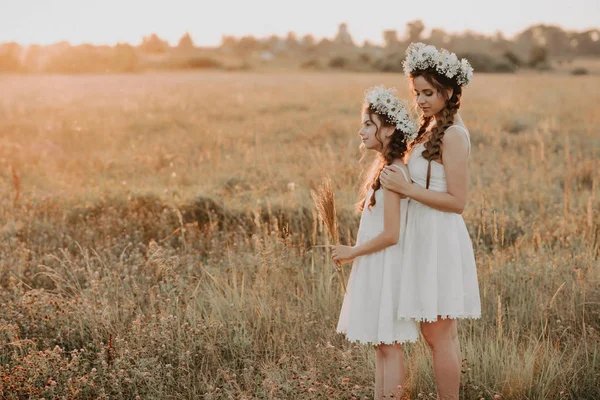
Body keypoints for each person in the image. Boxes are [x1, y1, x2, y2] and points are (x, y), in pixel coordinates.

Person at [380, 43, 482, 400]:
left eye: (428, 92)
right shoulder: (430, 128)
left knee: (439, 335)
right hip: (422, 235)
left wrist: (406, 190)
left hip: (440, 237)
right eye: (417, 92)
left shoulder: (453, 134)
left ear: (449, 92)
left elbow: (457, 202)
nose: (420, 100)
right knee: (433, 334)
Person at [332, 85, 419, 399]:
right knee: (382, 345)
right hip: (376, 264)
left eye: (368, 124)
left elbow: (392, 234)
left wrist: (352, 252)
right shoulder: (383, 167)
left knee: (389, 345)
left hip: (387, 266)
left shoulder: (395, 172)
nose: (361, 131)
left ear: (389, 128)